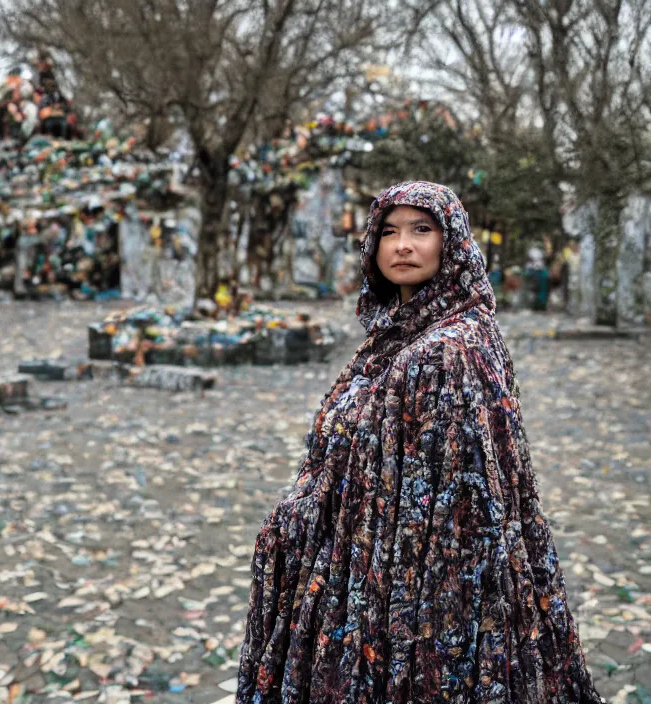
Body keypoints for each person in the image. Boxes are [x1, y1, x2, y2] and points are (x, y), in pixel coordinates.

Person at [236, 182, 602, 703]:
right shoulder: (402, 334)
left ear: (451, 242)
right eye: (388, 232)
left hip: (402, 596)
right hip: (367, 569)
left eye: (421, 230)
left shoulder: (443, 351)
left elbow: (451, 515)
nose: (402, 245)